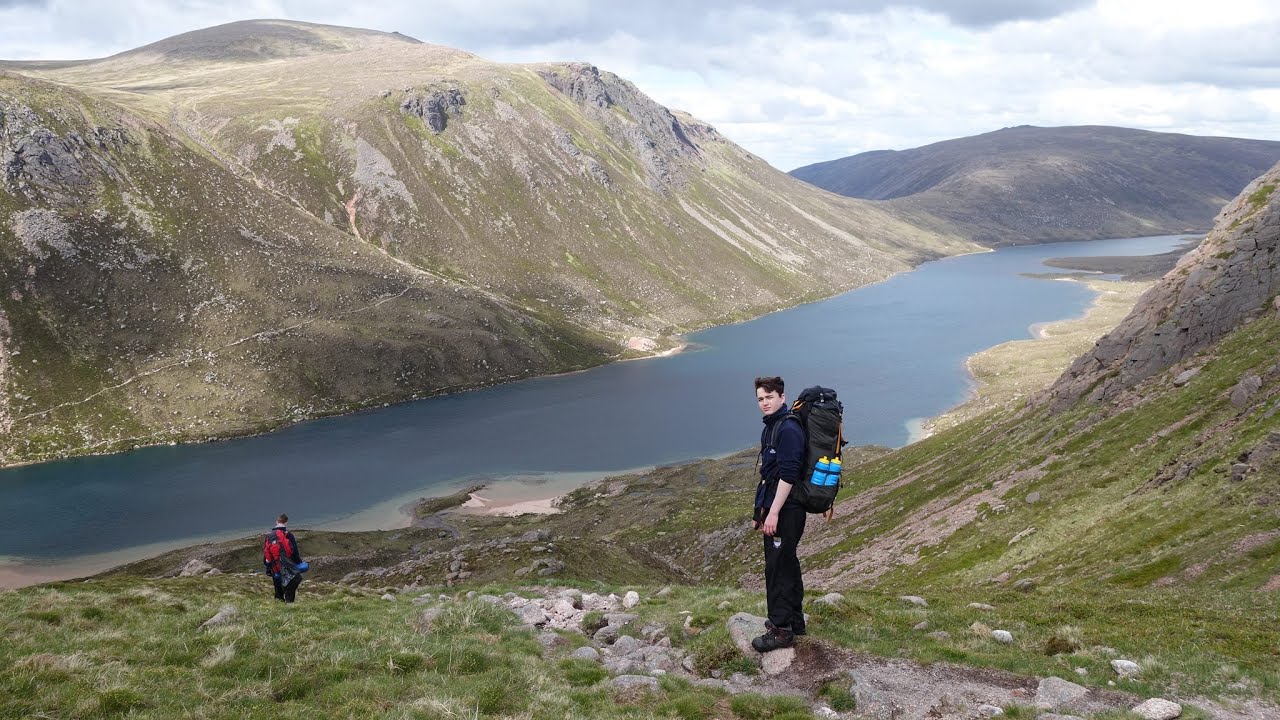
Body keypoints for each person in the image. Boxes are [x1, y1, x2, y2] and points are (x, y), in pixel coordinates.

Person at [751, 376, 807, 652]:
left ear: (782, 397)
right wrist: (759, 511)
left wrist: (773, 514)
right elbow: (768, 475)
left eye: (769, 397)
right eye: (760, 399)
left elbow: (788, 475)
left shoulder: (788, 429)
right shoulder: (772, 427)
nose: (764, 403)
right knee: (786, 561)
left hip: (787, 510)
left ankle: (780, 629)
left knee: (778, 567)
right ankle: (795, 621)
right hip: (776, 507)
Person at [264, 513, 304, 603]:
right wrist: (299, 563)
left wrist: (268, 567)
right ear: (286, 522)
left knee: (277, 586)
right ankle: (289, 603)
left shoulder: (269, 535)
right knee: (292, 582)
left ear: (277, 521)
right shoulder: (288, 534)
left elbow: (266, 552)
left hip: (274, 566)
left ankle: (279, 603)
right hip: (287, 565)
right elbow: (294, 552)